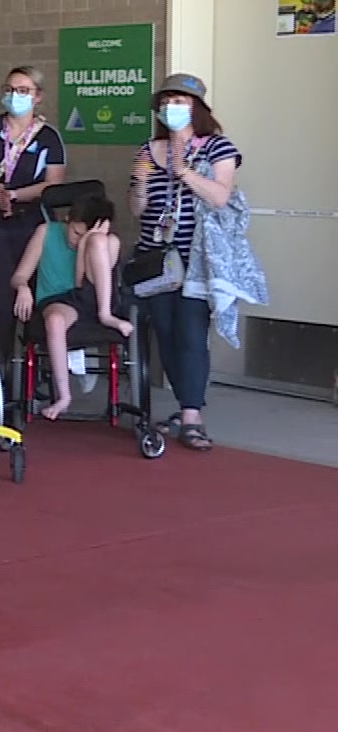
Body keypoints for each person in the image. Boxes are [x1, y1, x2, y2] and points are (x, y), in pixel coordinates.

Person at [129, 73, 240, 450]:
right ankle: (184, 404)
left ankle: (193, 415)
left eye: (180, 101)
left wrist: (185, 172)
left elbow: (220, 197)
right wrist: (140, 186)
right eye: (167, 101)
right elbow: (137, 208)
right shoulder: (148, 149)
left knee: (192, 334)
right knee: (166, 334)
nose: (171, 108)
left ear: (197, 108)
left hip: (195, 260)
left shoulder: (216, 148)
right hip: (156, 258)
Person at [0, 66, 67, 351]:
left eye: (23, 90)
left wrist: (15, 195)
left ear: (38, 96)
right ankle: (3, 369)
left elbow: (52, 184)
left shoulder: (48, 137)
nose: (14, 95)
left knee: (34, 297)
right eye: (9, 89)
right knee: (0, 299)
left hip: (33, 225)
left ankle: (34, 369)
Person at [12, 193, 131, 421]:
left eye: (82, 237)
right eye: (76, 233)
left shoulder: (100, 242)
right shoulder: (46, 231)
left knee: (108, 242)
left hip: (90, 295)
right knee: (55, 321)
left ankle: (105, 314)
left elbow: (80, 282)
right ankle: (63, 396)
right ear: (68, 219)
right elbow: (20, 275)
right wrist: (23, 288)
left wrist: (90, 240)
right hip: (58, 301)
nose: (77, 241)